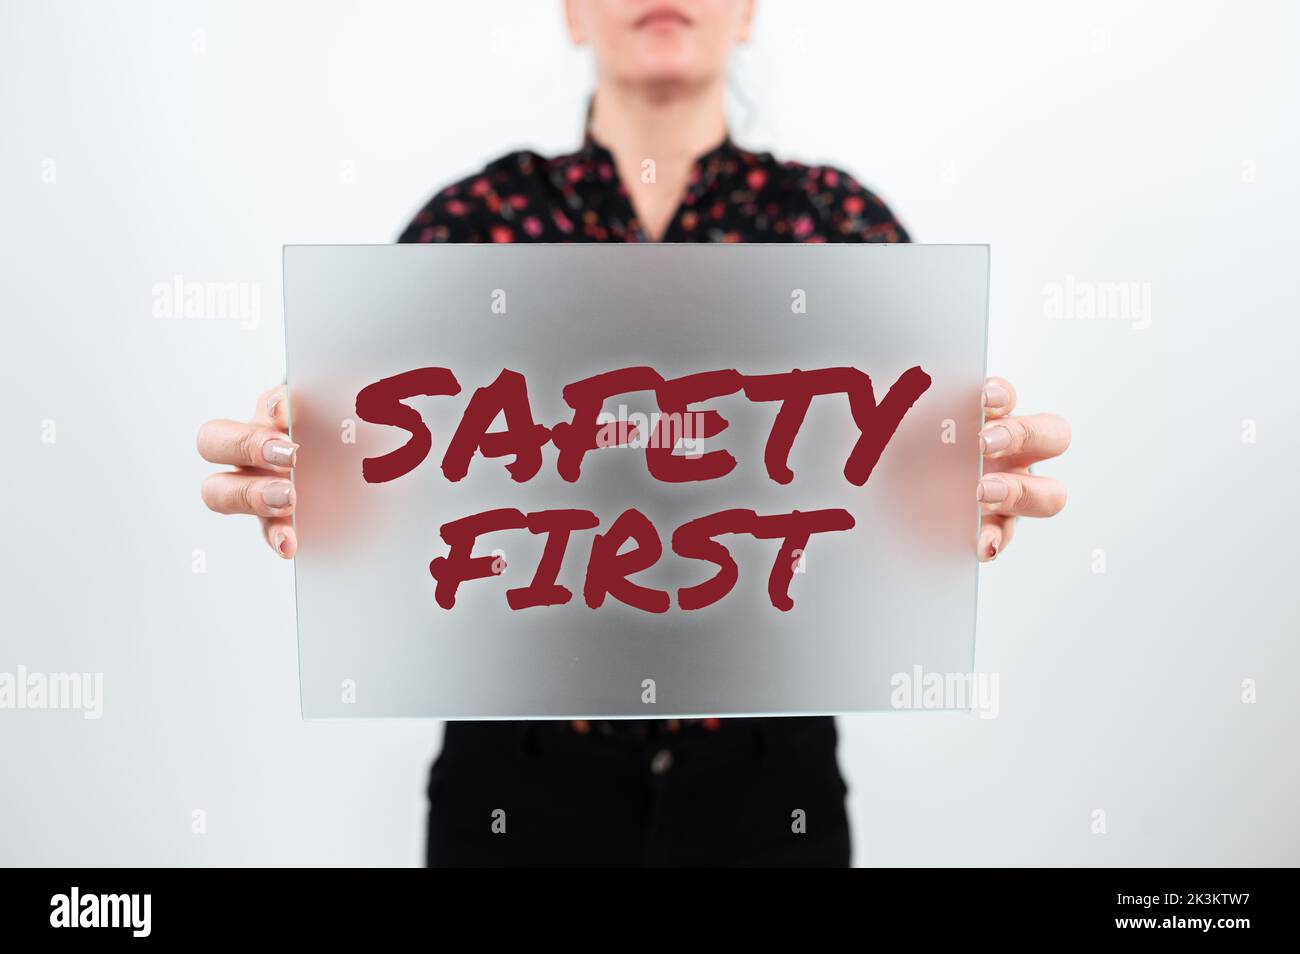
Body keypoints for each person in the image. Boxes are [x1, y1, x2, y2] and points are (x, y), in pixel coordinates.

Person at [196, 0, 1070, 866]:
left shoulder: (840, 227)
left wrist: (967, 492)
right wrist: (302, 472)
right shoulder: (472, 225)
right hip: (515, 784)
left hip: (770, 789)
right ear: (573, 15)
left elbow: (908, 490)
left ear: (748, 13)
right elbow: (376, 474)